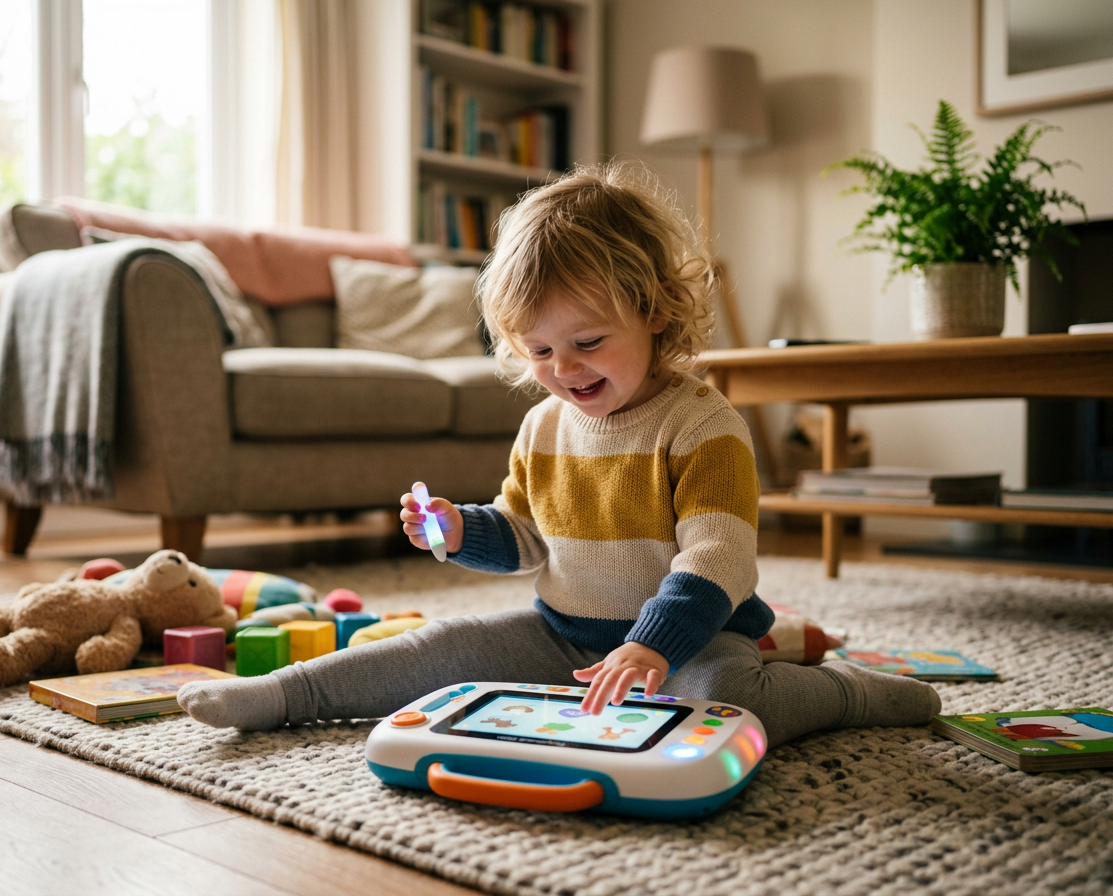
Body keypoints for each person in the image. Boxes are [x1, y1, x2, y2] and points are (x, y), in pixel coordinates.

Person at [178, 162, 940, 744]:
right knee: (439, 647)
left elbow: (719, 559)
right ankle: (287, 696)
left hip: (693, 642)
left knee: (731, 702)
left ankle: (851, 693)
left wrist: (650, 648)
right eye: (539, 350)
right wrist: (458, 529)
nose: (564, 369)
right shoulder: (543, 428)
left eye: (588, 342)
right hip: (562, 638)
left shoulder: (704, 427)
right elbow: (523, 534)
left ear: (655, 310)